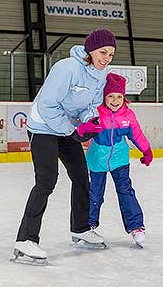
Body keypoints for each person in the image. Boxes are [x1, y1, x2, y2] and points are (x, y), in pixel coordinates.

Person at [13, 28, 117, 259]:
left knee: (81, 176)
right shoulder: (67, 68)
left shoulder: (101, 73)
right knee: (47, 180)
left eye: (111, 54)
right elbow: (47, 105)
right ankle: (26, 239)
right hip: (43, 126)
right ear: (90, 49)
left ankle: (79, 229)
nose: (106, 58)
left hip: (66, 127)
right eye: (103, 52)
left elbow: (89, 105)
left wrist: (90, 121)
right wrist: (74, 130)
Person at [86, 73, 153, 248]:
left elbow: (136, 134)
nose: (115, 100)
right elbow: (83, 128)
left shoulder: (128, 115)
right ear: (104, 97)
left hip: (120, 158)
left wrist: (146, 150)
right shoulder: (97, 111)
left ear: (124, 98)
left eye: (119, 97)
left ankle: (136, 226)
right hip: (98, 157)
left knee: (125, 191)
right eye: (110, 96)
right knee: (95, 193)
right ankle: (88, 225)